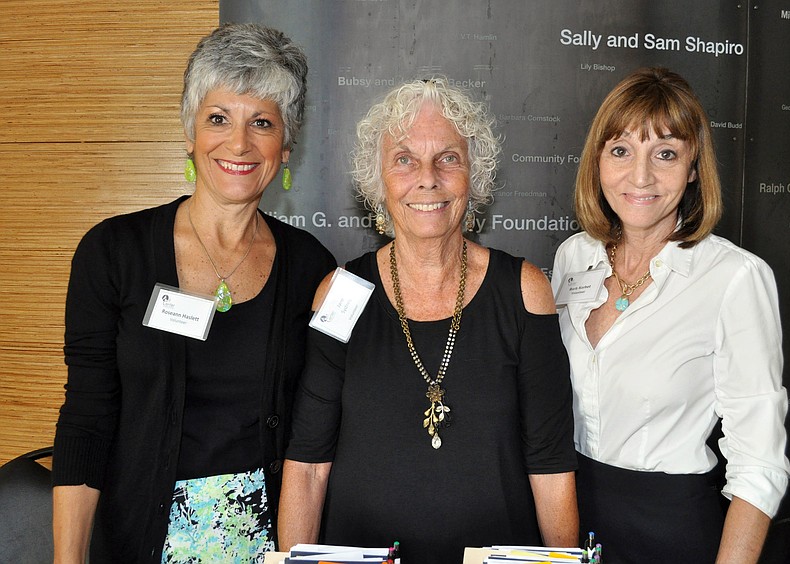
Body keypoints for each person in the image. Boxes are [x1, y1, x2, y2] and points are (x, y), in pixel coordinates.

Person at [52, 23, 335, 563]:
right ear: (189, 132)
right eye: (218, 118)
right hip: (139, 540)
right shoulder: (113, 253)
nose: (239, 143)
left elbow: (318, 432)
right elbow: (86, 421)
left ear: (287, 144)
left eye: (262, 122)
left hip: (269, 547)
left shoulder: (311, 267)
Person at [279, 77, 579, 563]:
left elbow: (550, 464)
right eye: (404, 160)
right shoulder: (341, 294)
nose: (428, 178)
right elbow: (309, 464)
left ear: (473, 175)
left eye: (448, 157)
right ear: (378, 182)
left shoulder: (523, 289)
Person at [551, 67, 790, 563]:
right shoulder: (574, 256)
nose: (641, 177)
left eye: (665, 154)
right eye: (621, 151)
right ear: (597, 161)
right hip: (566, 519)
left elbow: (759, 464)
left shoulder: (735, 278)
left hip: (671, 533)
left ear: (694, 168)